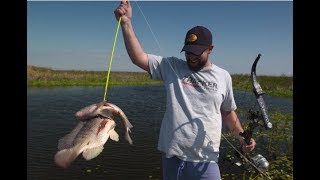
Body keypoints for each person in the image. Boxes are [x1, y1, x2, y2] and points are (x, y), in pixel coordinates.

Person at [114, 1, 256, 179]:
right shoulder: (172, 66)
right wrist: (126, 23)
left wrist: (242, 137)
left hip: (205, 158)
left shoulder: (223, 76)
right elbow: (138, 58)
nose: (191, 57)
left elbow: (227, 113)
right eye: (188, 51)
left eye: (197, 52)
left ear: (210, 49)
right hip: (172, 155)